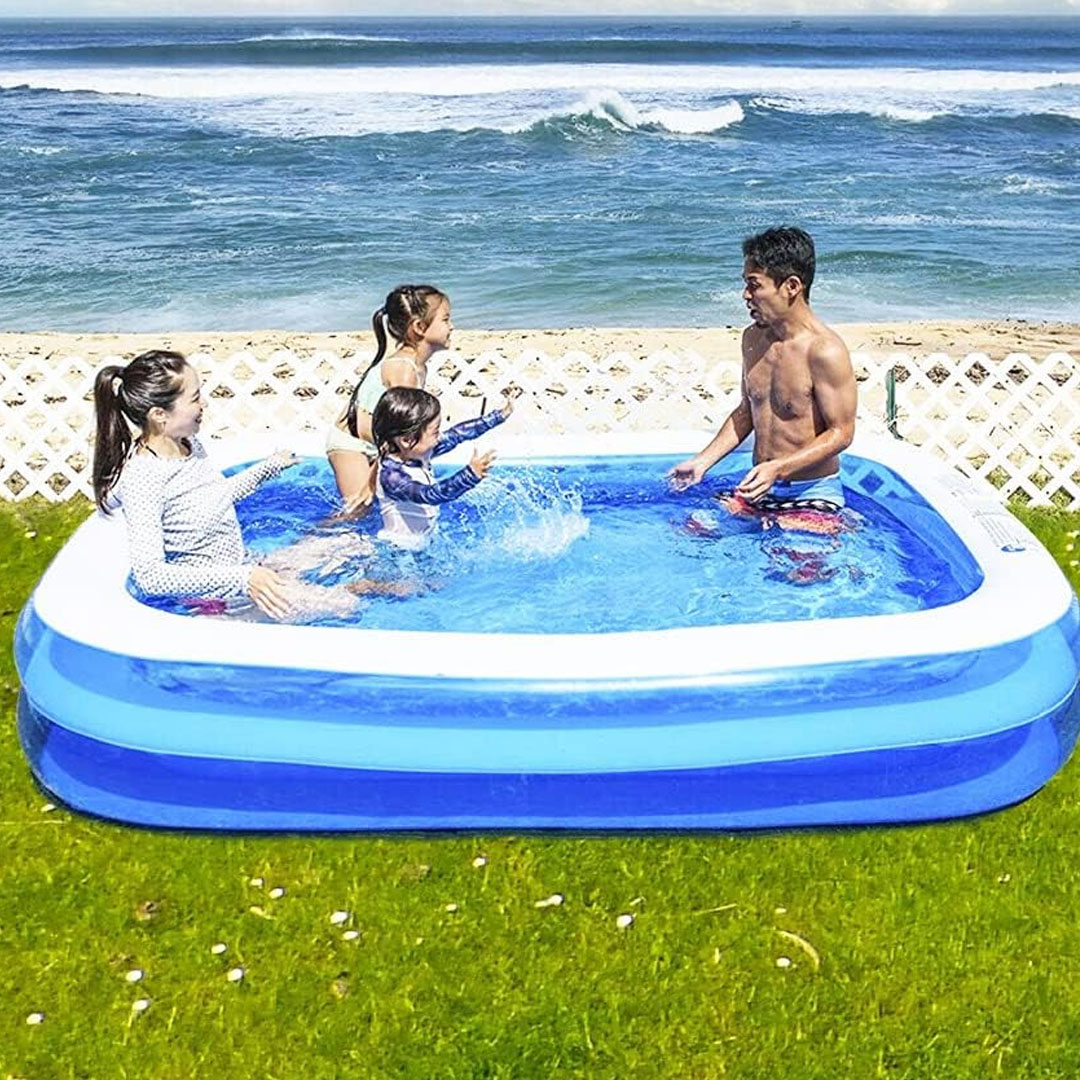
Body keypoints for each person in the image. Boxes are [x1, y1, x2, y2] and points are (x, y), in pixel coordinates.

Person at [93, 350, 405, 622]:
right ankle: (350, 590)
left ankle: (339, 586)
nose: (205, 403)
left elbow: (214, 497)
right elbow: (150, 576)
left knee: (351, 543)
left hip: (245, 568)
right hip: (217, 603)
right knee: (349, 607)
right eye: (195, 397)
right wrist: (245, 580)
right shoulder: (143, 478)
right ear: (160, 415)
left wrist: (268, 467)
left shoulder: (188, 444)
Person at [671, 227, 856, 517]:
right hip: (759, 489)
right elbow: (746, 411)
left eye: (754, 285)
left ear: (791, 286)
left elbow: (841, 433)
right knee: (692, 526)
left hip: (811, 491)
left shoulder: (824, 351)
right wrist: (702, 462)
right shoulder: (753, 340)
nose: (746, 295)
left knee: (793, 543)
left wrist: (779, 468)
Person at [327, 284, 453, 513]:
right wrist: (372, 480)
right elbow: (393, 430)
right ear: (419, 327)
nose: (451, 326)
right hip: (352, 444)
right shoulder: (403, 370)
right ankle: (316, 536)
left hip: (378, 443)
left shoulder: (418, 367)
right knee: (357, 511)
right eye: (445, 320)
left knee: (380, 507)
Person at [371, 386, 512, 550]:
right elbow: (430, 494)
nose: (439, 438)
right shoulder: (392, 477)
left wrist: (497, 417)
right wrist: (469, 476)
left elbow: (457, 434)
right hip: (399, 550)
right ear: (407, 440)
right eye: (435, 432)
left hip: (422, 544)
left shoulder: (417, 452)